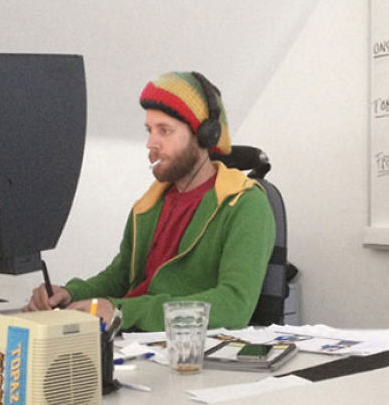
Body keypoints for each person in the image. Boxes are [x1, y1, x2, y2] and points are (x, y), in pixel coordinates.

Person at [26, 70, 276, 333]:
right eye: (149, 130)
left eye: (164, 131)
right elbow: (120, 277)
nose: (150, 143)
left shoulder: (244, 205)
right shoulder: (148, 205)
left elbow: (234, 306)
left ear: (204, 135)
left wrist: (123, 311)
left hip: (188, 348)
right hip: (133, 342)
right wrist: (70, 293)